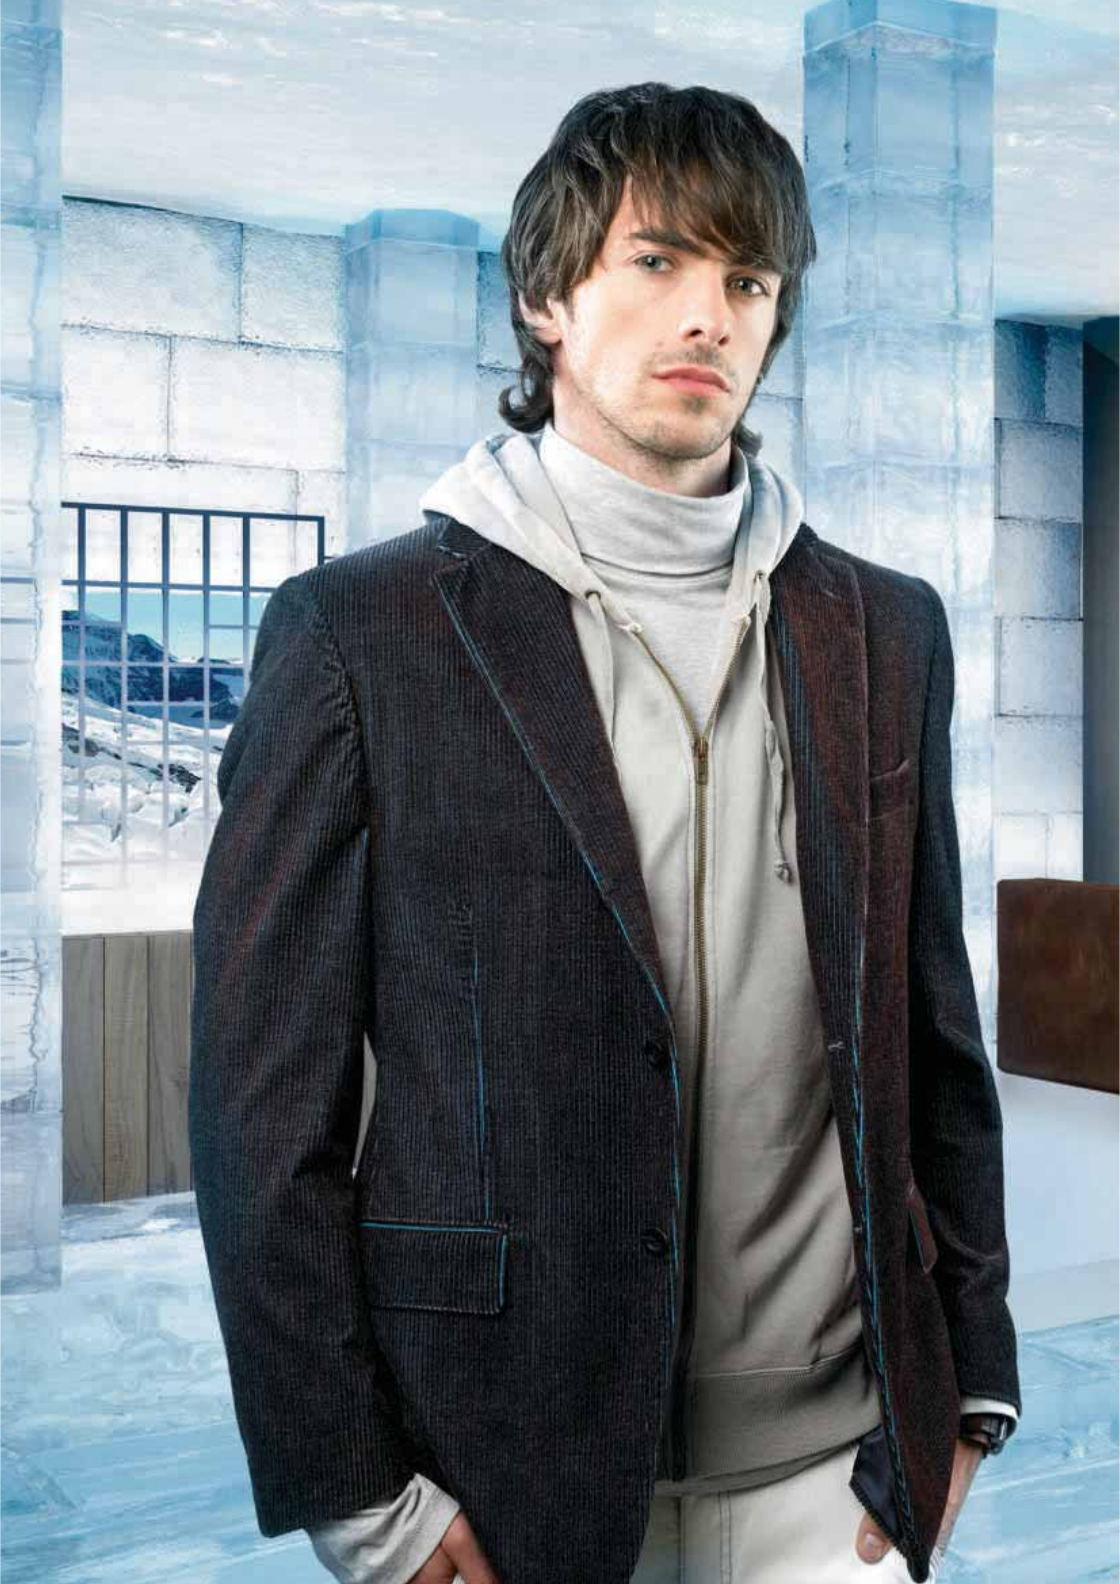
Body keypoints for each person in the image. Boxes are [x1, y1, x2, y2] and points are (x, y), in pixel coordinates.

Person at [188, 83, 1021, 1584]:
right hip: (500, 1465)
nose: (709, 314)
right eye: (656, 261)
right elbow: (261, 1113)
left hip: (842, 1475)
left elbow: (931, 1037)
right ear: (546, 299)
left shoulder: (887, 630)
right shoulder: (360, 633)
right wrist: (357, 1492)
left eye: (748, 280)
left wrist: (968, 1388)